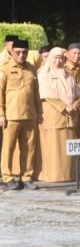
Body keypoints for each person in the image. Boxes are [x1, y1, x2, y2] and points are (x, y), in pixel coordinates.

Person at [0, 39, 42, 190]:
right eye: (18, 52)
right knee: (8, 148)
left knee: (29, 149)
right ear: (12, 52)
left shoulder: (31, 68)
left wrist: (39, 112)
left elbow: (36, 93)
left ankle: (27, 177)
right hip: (11, 116)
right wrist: (0, 114)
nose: (21, 55)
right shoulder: (4, 68)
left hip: (30, 115)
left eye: (24, 52)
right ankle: (8, 177)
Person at [36, 47, 79, 182]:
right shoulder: (43, 74)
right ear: (49, 58)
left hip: (70, 117)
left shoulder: (68, 75)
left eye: (61, 58)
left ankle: (70, 175)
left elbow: (77, 94)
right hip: (53, 117)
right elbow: (47, 95)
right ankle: (52, 176)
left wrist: (75, 104)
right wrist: (64, 106)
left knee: (68, 147)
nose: (58, 61)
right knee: (54, 148)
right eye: (56, 58)